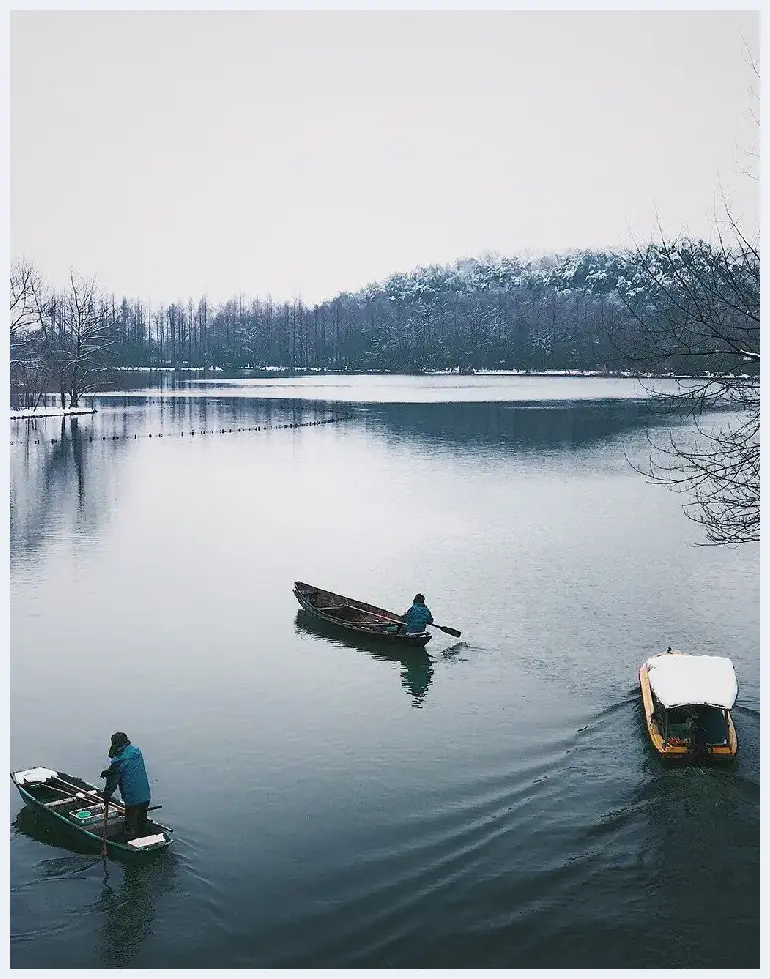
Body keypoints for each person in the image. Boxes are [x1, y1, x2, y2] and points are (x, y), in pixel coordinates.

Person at [100, 732, 152, 840]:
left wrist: (106, 796)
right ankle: (146, 838)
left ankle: (132, 842)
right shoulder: (136, 751)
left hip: (132, 798)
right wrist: (109, 772)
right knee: (142, 819)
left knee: (131, 823)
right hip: (145, 795)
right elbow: (129, 769)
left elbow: (112, 783)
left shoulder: (119, 761)